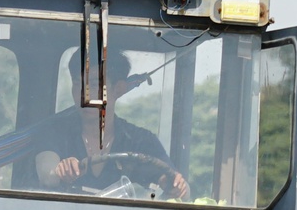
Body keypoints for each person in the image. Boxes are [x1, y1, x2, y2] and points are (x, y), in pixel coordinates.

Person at [21, 52, 191, 199]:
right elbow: (48, 174)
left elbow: (182, 190)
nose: (84, 95)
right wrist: (61, 170)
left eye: (94, 85)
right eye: (77, 83)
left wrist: (175, 186)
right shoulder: (53, 131)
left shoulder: (140, 141)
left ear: (118, 89)